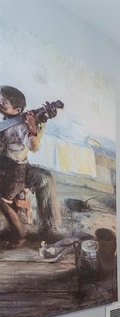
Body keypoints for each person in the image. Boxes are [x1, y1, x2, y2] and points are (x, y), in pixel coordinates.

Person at [0, 85, 62, 247]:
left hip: (18, 168)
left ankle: (49, 229)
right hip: (2, 170)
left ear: (17, 109)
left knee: (45, 178)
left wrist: (37, 124)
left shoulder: (22, 124)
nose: (0, 105)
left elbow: (34, 146)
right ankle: (17, 231)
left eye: (3, 103)